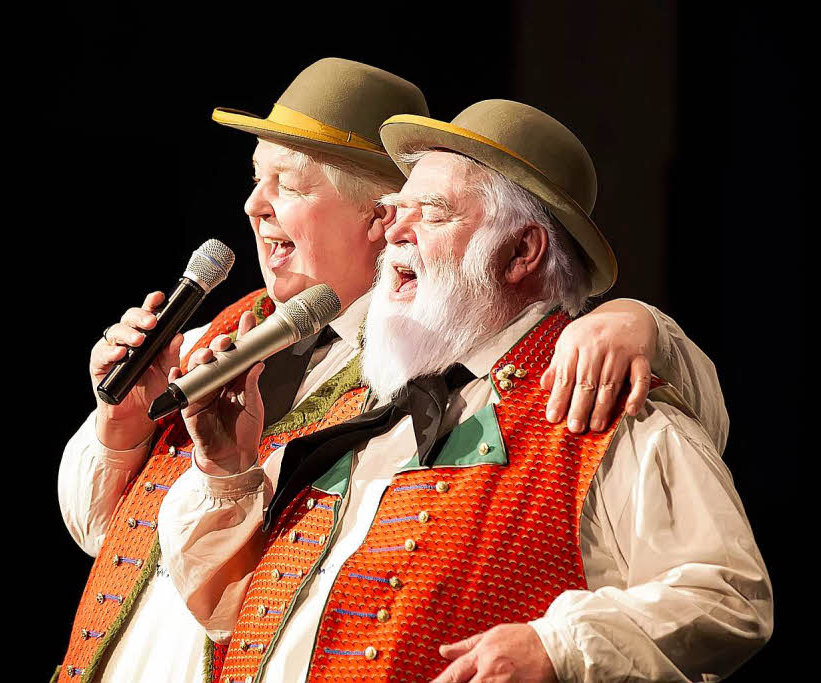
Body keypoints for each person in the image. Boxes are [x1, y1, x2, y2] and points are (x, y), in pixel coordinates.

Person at [55, 59, 727, 682]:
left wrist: (647, 326)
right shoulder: (218, 338)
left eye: (286, 183)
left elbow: (722, 582)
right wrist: (128, 431)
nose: (253, 205)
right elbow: (202, 581)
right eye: (256, 178)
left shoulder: (442, 380)